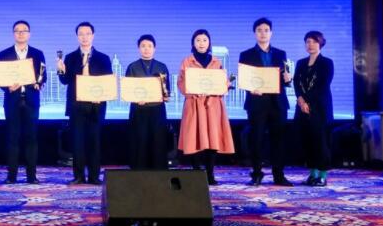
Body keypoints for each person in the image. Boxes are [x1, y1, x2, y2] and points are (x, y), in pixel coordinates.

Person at [239, 18, 293, 186]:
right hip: (257, 102)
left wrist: (288, 79)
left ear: (271, 33)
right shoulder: (246, 54)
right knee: (256, 140)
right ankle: (256, 174)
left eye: (266, 30)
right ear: (254, 33)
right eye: (259, 30)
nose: (263, 33)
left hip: (277, 103)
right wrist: (250, 88)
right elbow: (243, 80)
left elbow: (285, 80)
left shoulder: (281, 54)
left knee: (279, 140)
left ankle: (279, 175)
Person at [57, 21, 113, 185]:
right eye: (81, 34)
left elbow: (108, 82)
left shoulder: (103, 58)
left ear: (93, 36)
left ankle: (94, 176)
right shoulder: (70, 57)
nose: (84, 37)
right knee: (78, 143)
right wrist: (60, 69)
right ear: (77, 37)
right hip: (76, 106)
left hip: (96, 106)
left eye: (87, 34)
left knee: (94, 143)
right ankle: (79, 176)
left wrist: (101, 95)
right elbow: (65, 81)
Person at [177, 29, 234, 185]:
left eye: (204, 40)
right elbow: (181, 83)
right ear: (193, 43)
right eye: (198, 40)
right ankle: (196, 173)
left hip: (212, 106)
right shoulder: (187, 61)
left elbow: (222, 83)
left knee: (212, 139)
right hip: (194, 104)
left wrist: (225, 85)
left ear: (209, 43)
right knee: (194, 139)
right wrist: (192, 91)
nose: (201, 43)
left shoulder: (216, 62)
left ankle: (210, 174)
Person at [0, 20, 47, 184]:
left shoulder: (37, 54)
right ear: (13, 34)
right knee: (12, 138)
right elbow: (0, 78)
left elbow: (43, 75)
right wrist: (7, 87)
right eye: (17, 31)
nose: (20, 33)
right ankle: (11, 176)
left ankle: (32, 176)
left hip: (31, 101)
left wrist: (38, 83)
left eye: (24, 31)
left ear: (29, 34)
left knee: (31, 138)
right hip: (12, 100)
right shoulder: (4, 54)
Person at [294, 31, 334, 186]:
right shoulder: (300, 63)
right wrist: (300, 100)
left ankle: (322, 175)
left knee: (321, 141)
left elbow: (323, 85)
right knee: (308, 141)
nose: (310, 45)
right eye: (308, 42)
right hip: (302, 107)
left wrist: (307, 102)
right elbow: (296, 83)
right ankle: (312, 174)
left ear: (320, 43)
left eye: (314, 42)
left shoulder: (327, 63)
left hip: (320, 107)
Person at [125, 34, 171, 170]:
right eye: (143, 46)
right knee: (139, 142)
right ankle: (139, 172)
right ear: (138, 48)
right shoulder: (132, 67)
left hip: (157, 111)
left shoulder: (162, 67)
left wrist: (165, 96)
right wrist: (135, 98)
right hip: (138, 111)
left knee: (158, 142)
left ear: (154, 48)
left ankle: (159, 173)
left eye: (150, 46)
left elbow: (167, 90)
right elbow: (128, 90)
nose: (146, 49)